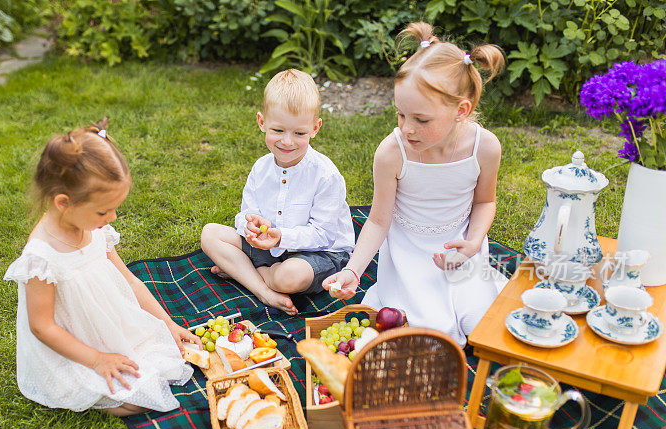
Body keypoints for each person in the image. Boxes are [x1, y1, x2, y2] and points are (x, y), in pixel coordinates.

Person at [323, 22, 508, 346]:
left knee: (484, 325)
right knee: (423, 332)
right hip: (410, 256)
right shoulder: (392, 153)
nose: (407, 128)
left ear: (460, 111)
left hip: (460, 250)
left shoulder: (485, 147)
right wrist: (353, 271)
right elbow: (379, 220)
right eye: (400, 114)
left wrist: (474, 242)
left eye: (421, 119)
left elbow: (484, 202)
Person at [3, 118, 198, 417]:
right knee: (135, 400)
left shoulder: (96, 229)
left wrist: (167, 324)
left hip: (109, 323)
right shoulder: (42, 257)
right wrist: (96, 360)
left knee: (173, 361)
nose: (114, 217)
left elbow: (130, 282)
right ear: (64, 203)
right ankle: (94, 379)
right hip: (73, 347)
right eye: (104, 210)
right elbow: (42, 327)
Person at [201, 69, 355, 316]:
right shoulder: (261, 168)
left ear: (315, 128)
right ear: (262, 122)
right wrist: (250, 224)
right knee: (210, 233)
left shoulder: (325, 174)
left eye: (299, 133)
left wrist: (281, 236)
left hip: (319, 254)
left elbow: (324, 235)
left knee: (289, 277)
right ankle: (263, 290)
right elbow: (245, 214)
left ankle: (248, 272)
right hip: (271, 247)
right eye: (278, 130)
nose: (287, 141)